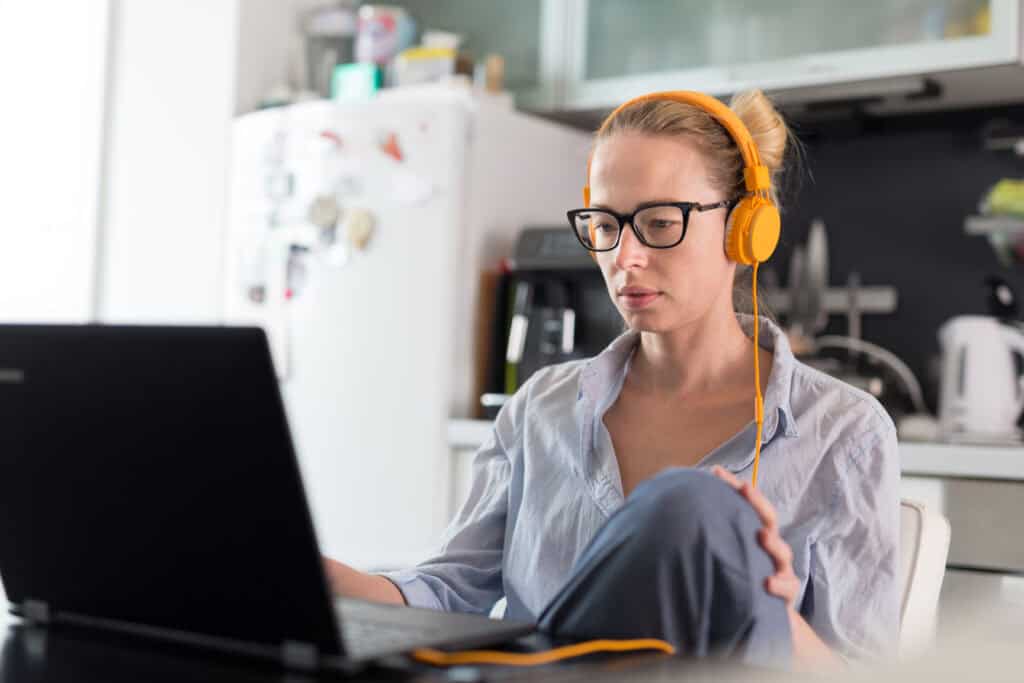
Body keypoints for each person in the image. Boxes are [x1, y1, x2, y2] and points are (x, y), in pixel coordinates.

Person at [323, 89, 899, 670]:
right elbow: (446, 594)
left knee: (697, 507)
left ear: (745, 228)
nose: (625, 256)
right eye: (605, 224)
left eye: (658, 222)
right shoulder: (540, 411)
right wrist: (312, 575)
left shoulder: (843, 433)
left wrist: (769, 606)